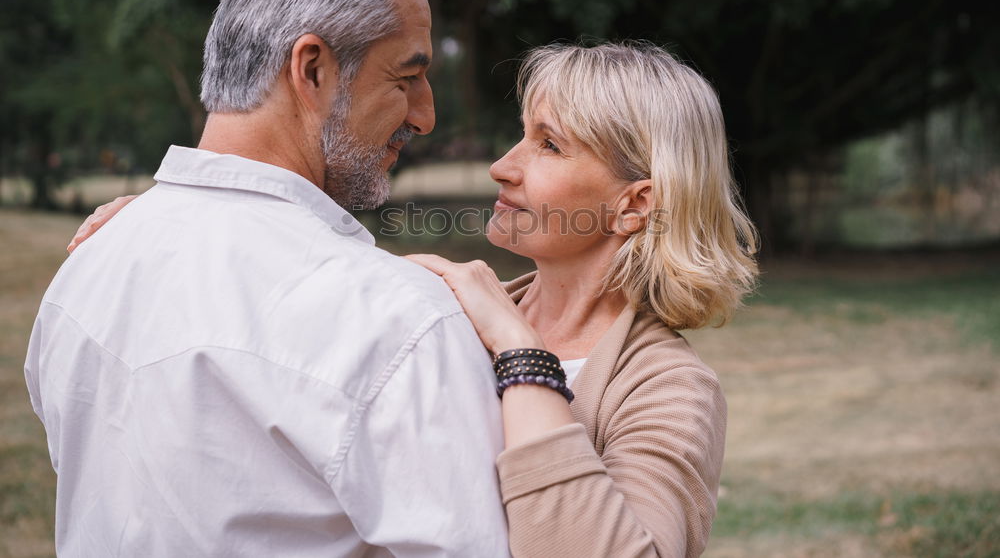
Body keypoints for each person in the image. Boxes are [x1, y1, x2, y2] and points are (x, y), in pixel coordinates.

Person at [70, 42, 759, 557]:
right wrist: (179, 224)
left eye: (548, 144)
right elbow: (294, 290)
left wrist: (522, 353)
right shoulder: (447, 307)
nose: (503, 164)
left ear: (634, 204)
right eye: (522, 132)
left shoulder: (670, 387)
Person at [25, 0, 510, 557]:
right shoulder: (397, 323)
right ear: (312, 70)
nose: (425, 115)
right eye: (406, 76)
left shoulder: (86, 271)